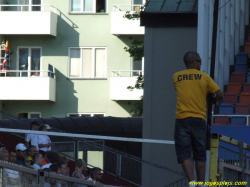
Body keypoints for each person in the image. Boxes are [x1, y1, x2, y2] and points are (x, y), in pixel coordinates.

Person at [173, 51, 223, 187]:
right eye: (200, 62)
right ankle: (201, 184)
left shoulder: (176, 77)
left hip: (182, 119)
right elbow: (219, 94)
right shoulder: (204, 77)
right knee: (200, 154)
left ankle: (192, 182)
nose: (201, 64)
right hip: (199, 119)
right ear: (195, 62)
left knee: (184, 153)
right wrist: (210, 99)